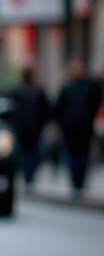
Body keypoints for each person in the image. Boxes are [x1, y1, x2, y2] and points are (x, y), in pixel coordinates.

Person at [55, 58, 102, 195]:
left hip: (85, 127)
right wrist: (61, 124)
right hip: (70, 128)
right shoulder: (67, 87)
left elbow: (96, 103)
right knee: (72, 154)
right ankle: (75, 180)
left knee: (83, 154)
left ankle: (80, 180)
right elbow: (60, 108)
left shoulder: (91, 86)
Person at [5, 67, 51, 187]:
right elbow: (47, 110)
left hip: (22, 129)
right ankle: (29, 174)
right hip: (34, 128)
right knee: (33, 153)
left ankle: (27, 174)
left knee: (25, 152)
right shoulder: (38, 91)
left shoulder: (15, 91)